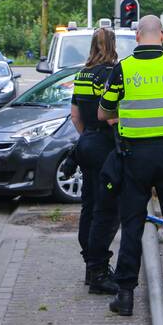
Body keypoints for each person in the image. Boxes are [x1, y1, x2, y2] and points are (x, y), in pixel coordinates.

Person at [98, 15, 163, 317]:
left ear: (137, 36)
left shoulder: (123, 69)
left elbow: (104, 114)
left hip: (135, 158)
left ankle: (125, 295)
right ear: (161, 35)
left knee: (132, 224)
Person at [69, 27, 120, 295]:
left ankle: (90, 266)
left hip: (85, 144)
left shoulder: (82, 74)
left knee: (88, 206)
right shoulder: (110, 74)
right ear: (112, 45)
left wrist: (87, 137)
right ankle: (99, 271)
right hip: (104, 147)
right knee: (107, 210)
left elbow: (75, 115)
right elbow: (110, 116)